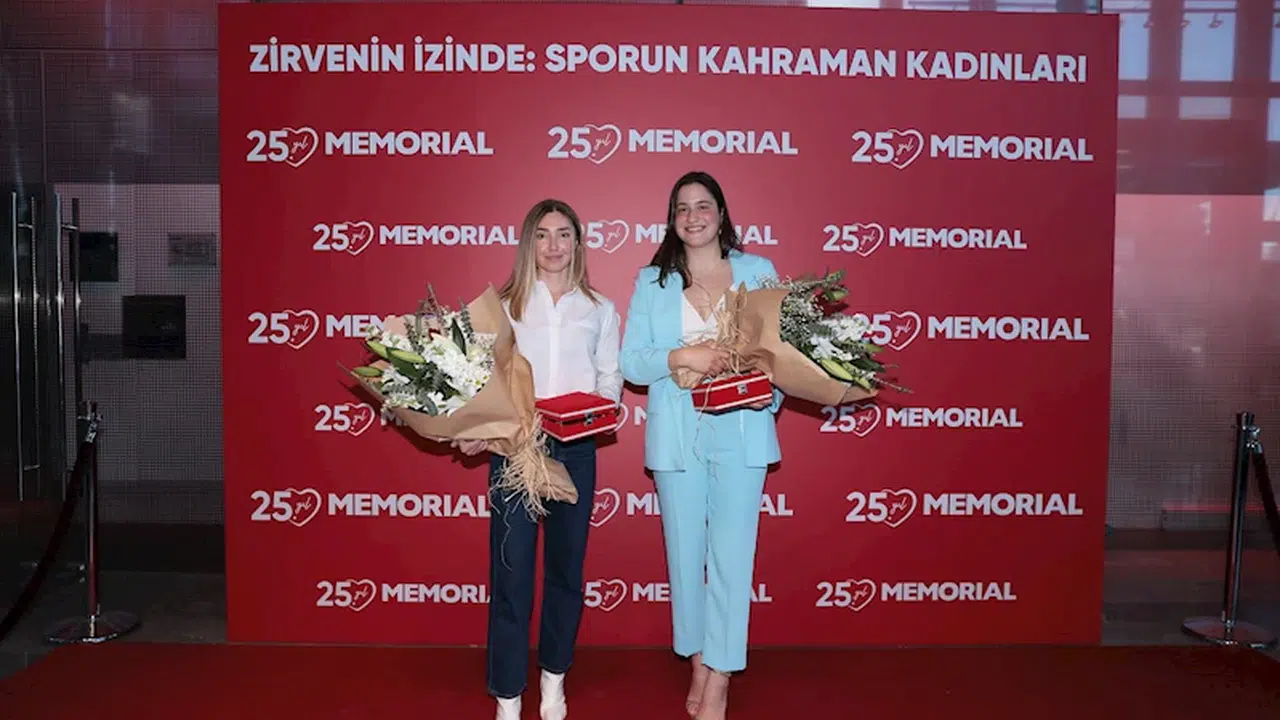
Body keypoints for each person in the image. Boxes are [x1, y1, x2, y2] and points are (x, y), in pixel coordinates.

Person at [619, 171, 783, 720]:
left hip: (743, 427)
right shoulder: (652, 281)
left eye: (703, 205)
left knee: (732, 557)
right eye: (682, 208)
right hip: (677, 431)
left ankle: (722, 673)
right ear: (672, 220)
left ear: (721, 213)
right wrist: (681, 357)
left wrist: (769, 394)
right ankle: (696, 658)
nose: (693, 217)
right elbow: (631, 362)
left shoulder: (758, 271)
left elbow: (782, 350)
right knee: (685, 555)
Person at [453, 198, 623, 720]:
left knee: (566, 572)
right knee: (512, 574)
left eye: (564, 234)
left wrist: (595, 413)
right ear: (529, 242)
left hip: (575, 449)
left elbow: (610, 378)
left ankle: (553, 678)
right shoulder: (503, 308)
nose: (554, 245)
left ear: (578, 242)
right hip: (516, 449)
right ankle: (507, 695)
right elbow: (481, 380)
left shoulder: (600, 309)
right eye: (543, 234)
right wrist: (477, 428)